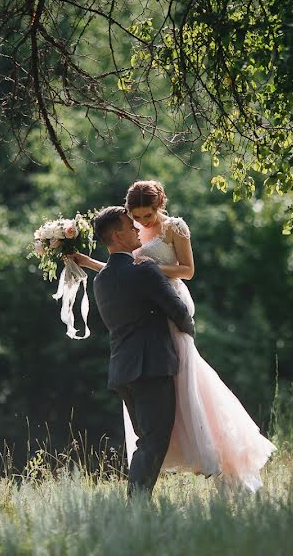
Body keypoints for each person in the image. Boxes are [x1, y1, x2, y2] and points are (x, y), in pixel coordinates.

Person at [73, 180, 276, 492]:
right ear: (124, 222)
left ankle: (154, 494)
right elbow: (126, 271)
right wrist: (88, 262)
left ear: (159, 206)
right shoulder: (127, 262)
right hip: (154, 333)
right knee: (160, 430)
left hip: (150, 334)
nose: (140, 225)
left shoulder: (171, 231)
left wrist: (154, 269)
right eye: (134, 219)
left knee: (178, 412)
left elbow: (182, 271)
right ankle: (140, 500)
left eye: (146, 216)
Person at [88, 205, 196, 499]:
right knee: (153, 440)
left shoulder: (101, 280)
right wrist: (189, 335)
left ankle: (138, 503)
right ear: (118, 235)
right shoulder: (144, 269)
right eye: (130, 225)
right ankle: (136, 504)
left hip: (122, 370)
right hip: (151, 366)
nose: (138, 229)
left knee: (146, 439)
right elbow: (177, 309)